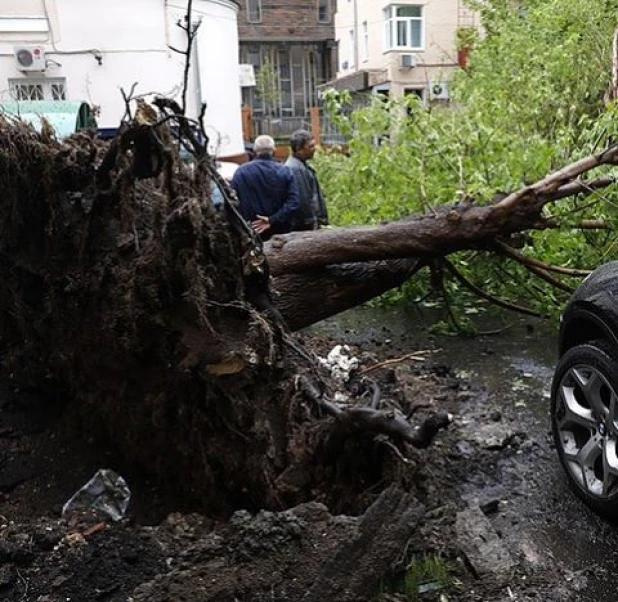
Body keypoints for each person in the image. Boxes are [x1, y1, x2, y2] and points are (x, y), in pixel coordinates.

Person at [231, 135, 299, 239]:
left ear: (254, 150)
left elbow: (232, 203)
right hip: (280, 233)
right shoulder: (285, 171)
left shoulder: (241, 172)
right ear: (274, 150)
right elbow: (294, 202)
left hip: (251, 232)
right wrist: (273, 219)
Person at [285, 129, 328, 231]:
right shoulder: (296, 169)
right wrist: (312, 223)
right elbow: (303, 201)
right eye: (310, 146)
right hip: (305, 227)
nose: (314, 149)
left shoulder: (301, 166)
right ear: (299, 149)